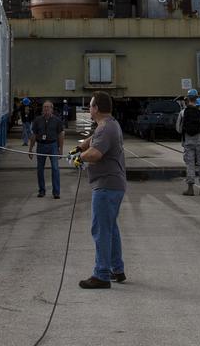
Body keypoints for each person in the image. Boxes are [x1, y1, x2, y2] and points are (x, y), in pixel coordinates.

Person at [75, 90, 126, 289]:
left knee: (101, 230)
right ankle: (116, 269)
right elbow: (92, 140)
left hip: (106, 186)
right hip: (114, 184)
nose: (89, 108)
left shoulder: (105, 129)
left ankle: (102, 274)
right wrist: (79, 148)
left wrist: (80, 158)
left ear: (96, 108)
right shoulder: (108, 124)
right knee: (110, 228)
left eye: (90, 105)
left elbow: (95, 153)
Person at [176, 89, 200, 197]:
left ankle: (190, 188)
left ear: (187, 99)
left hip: (188, 143)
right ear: (197, 98)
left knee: (190, 164)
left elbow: (178, 129)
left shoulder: (183, 113)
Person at [28, 99, 64, 198]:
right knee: (40, 169)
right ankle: (42, 190)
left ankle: (56, 192)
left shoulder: (57, 121)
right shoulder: (37, 120)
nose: (46, 109)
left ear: (52, 109)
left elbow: (61, 135)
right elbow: (34, 135)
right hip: (41, 146)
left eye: (48, 107)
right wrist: (30, 149)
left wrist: (60, 149)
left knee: (55, 169)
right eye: (44, 107)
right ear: (42, 109)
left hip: (53, 146)